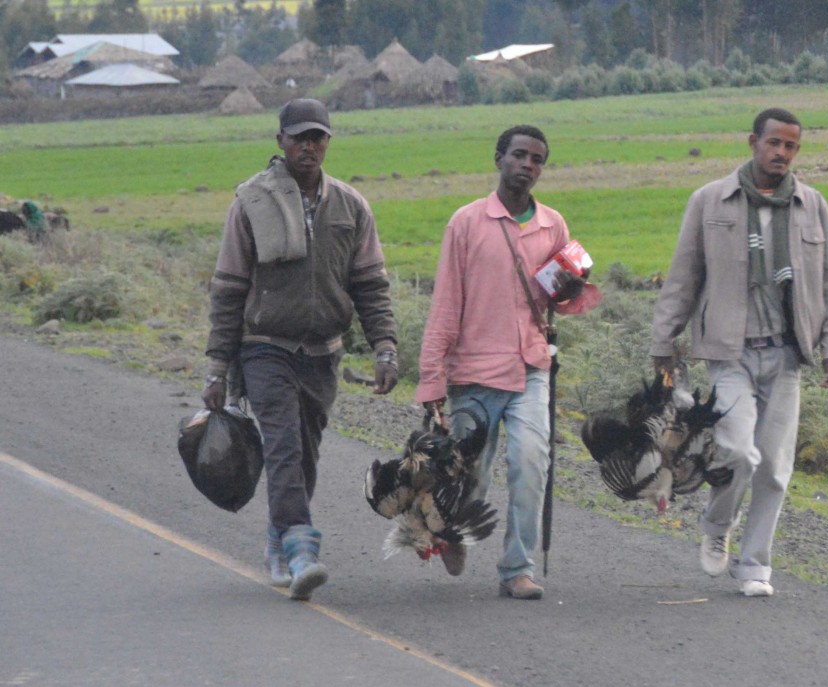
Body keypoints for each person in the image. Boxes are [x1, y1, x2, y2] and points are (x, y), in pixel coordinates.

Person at [203, 98, 399, 601]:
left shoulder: (351, 206)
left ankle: (277, 539)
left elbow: (371, 285)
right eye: (298, 138)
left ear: (328, 142)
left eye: (317, 137)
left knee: (306, 454)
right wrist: (217, 367)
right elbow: (228, 290)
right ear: (280, 142)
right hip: (265, 346)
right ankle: (301, 547)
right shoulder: (251, 203)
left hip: (324, 352)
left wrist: (384, 348)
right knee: (284, 445)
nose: (308, 146)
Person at [650, 107, 828, 597]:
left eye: (791, 146)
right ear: (753, 142)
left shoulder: (812, 205)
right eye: (774, 143)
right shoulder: (710, 201)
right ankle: (717, 526)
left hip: (785, 353)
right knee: (738, 451)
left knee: (776, 469)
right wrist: (664, 343)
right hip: (729, 352)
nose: (782, 153)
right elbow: (683, 277)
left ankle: (755, 565)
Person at [416, 125, 601, 600]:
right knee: (469, 476)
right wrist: (432, 379)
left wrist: (573, 287)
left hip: (530, 368)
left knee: (531, 461)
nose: (527, 165)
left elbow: (557, 303)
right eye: (518, 155)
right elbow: (444, 305)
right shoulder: (466, 223)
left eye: (537, 159)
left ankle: (517, 567)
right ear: (498, 159)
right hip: (472, 372)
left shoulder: (553, 224)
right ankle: (453, 530)